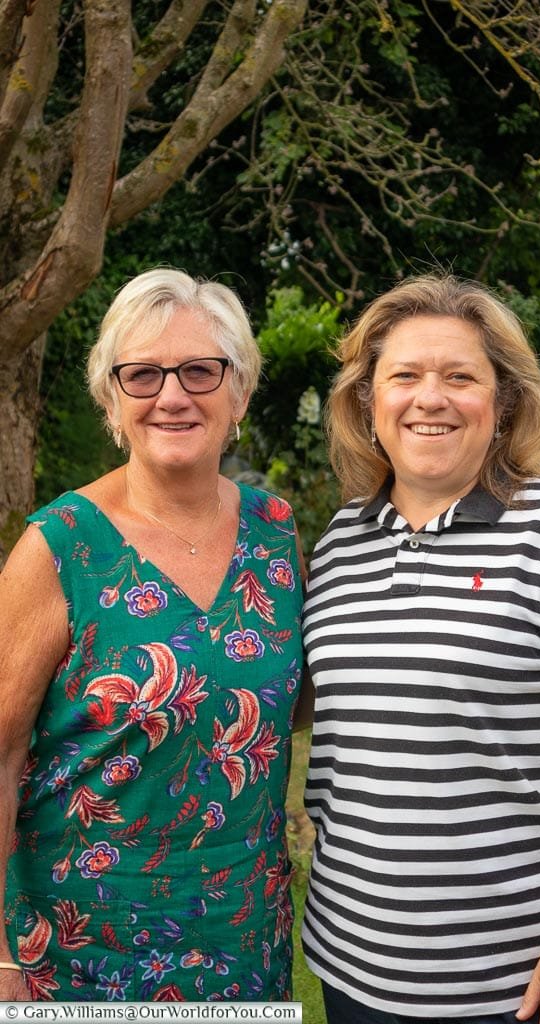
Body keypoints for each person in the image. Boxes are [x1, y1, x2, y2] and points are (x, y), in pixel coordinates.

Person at [300, 274, 540, 1024]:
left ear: (502, 404)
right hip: (351, 964)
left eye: (459, 377)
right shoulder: (340, 543)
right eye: (402, 376)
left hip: (516, 979)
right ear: (367, 403)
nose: (428, 397)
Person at [0, 268, 308, 1002]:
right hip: (76, 957)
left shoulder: (276, 532)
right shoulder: (62, 546)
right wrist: (0, 957)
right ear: (112, 400)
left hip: (242, 944)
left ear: (239, 390)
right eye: (141, 375)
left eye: (200, 370)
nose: (172, 395)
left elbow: (288, 705)